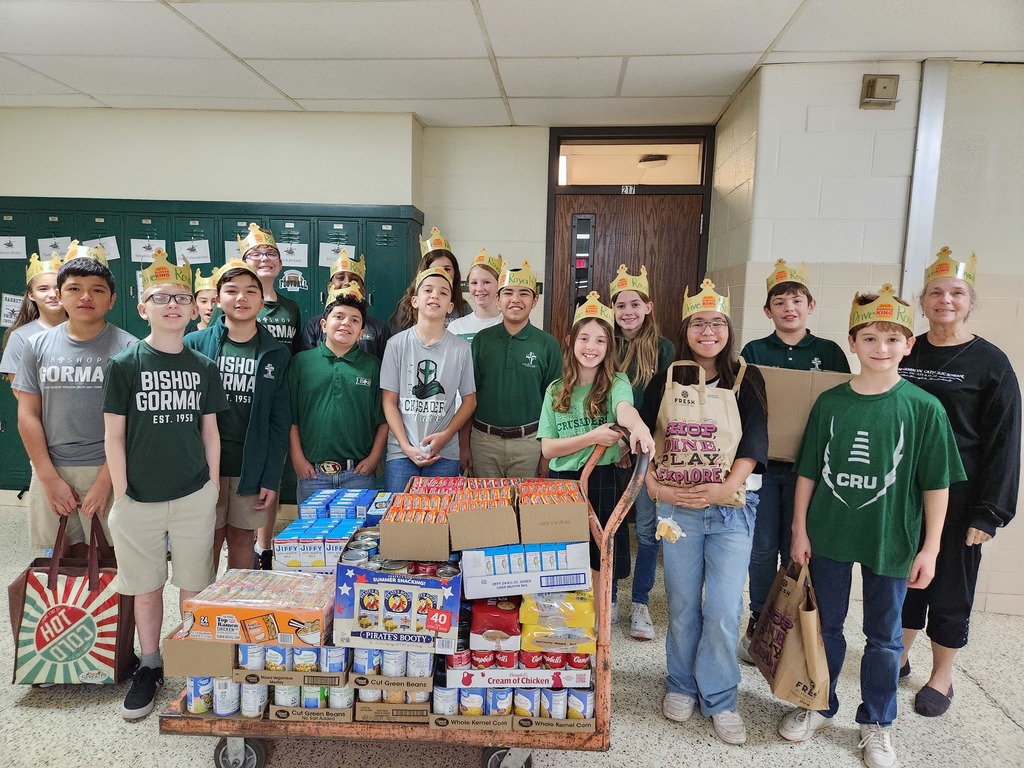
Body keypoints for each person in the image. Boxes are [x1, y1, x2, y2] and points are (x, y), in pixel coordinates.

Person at [779, 284, 965, 768]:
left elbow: (937, 485)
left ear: (908, 344)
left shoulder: (924, 408)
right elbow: (807, 471)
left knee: (884, 637)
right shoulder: (831, 403)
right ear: (852, 342)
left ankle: (877, 722)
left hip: (891, 538)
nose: (880, 348)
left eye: (892, 338)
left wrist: (930, 548)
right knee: (825, 627)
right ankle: (819, 704)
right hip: (830, 533)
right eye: (869, 338)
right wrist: (799, 529)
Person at [641, 279, 767, 746]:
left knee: (724, 607)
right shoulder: (664, 380)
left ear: (728, 330)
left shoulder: (746, 378)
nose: (708, 331)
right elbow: (642, 442)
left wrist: (724, 489)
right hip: (678, 510)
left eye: (717, 323)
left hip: (731, 511)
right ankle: (680, 684)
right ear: (685, 330)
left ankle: (721, 697)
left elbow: (754, 444)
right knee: (681, 603)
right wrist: (655, 487)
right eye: (698, 323)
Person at [102, 249, 227, 721]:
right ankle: (151, 664)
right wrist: (121, 493)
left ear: (195, 308)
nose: (172, 305)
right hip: (138, 499)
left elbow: (210, 431)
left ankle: (195, 663)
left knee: (194, 584)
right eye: (160, 297)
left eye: (180, 297)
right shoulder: (124, 364)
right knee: (146, 586)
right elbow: (113, 435)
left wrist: (212, 486)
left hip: (194, 493)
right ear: (142, 308)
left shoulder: (203, 366)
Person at [898, 248, 1021, 717]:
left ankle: (942, 675)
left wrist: (990, 512)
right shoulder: (905, 348)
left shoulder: (991, 362)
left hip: (961, 493)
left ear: (970, 302)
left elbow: (1006, 441)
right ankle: (899, 656)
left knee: (950, 586)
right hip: (903, 491)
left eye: (956, 293)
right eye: (935, 292)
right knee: (903, 579)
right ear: (922, 301)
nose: (945, 300)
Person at [737, 259, 850, 663]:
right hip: (764, 467)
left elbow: (844, 404)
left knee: (798, 548)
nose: (789, 308)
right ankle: (759, 618)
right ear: (767, 311)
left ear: (811, 305)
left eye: (797, 300)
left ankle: (791, 622)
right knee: (762, 547)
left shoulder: (829, 352)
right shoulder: (754, 351)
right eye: (780, 302)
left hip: (813, 470)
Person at [539, 291, 655, 622]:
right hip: (563, 484)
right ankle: (564, 624)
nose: (591, 347)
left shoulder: (617, 382)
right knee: (563, 557)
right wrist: (593, 437)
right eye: (585, 338)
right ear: (571, 341)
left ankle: (595, 626)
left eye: (600, 340)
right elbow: (548, 449)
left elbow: (625, 410)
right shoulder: (555, 389)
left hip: (603, 481)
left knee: (600, 557)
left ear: (609, 347)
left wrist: (639, 428)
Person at [14, 244, 135, 559]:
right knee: (63, 557)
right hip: (54, 466)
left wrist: (106, 480)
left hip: (110, 467)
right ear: (60, 294)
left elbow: (133, 423)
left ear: (112, 299)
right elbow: (27, 414)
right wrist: (48, 478)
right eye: (74, 288)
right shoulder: (36, 345)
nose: (85, 297)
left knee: (113, 556)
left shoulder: (129, 349)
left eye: (97, 290)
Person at [184, 259, 291, 570]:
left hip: (250, 467)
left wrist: (271, 476)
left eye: (250, 291)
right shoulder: (194, 344)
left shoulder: (276, 352)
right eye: (232, 291)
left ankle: (236, 598)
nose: (241, 298)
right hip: (204, 466)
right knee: (209, 538)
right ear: (218, 298)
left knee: (243, 538)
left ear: (261, 300)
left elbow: (279, 421)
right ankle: (203, 600)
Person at [609, 264, 676, 641]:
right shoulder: (605, 341)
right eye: (621, 305)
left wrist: (638, 441)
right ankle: (610, 595)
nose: (628, 311)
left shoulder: (663, 349)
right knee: (612, 525)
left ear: (648, 307)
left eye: (635, 304)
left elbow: (664, 404)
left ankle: (640, 602)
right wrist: (619, 440)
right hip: (611, 448)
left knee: (648, 531)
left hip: (649, 449)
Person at [381, 266, 476, 492]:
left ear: (450, 306)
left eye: (443, 292)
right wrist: (405, 446)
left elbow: (469, 401)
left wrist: (446, 436)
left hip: (444, 452)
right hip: (401, 453)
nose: (435, 296)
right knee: (400, 512)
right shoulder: (396, 345)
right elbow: (389, 401)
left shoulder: (461, 349)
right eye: (428, 290)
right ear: (415, 301)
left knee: (441, 513)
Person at [290, 285, 387, 503]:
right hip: (312, 474)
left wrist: (374, 458)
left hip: (358, 474)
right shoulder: (301, 363)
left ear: (361, 333)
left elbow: (383, 419)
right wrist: (297, 458)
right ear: (323, 325)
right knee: (311, 526)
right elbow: (291, 417)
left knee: (361, 527)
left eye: (355, 320)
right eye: (339, 317)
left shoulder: (373, 366)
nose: (346, 323)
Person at [466, 260, 561, 478]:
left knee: (525, 500)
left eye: (524, 293)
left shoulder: (547, 344)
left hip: (530, 443)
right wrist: (464, 445)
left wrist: (547, 456)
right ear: (498, 299)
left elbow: (555, 404)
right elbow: (469, 396)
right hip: (484, 442)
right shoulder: (482, 340)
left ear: (535, 300)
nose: (515, 299)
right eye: (508, 293)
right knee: (486, 499)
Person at [297, 249, 391, 358]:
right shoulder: (313, 326)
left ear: (363, 291)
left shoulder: (380, 329)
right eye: (341, 278)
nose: (347, 283)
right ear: (329, 287)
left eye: (354, 279)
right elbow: (307, 361)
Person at [1, 252, 67, 388]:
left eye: (58, 288)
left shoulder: (86, 330)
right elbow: (21, 392)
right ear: (31, 295)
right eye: (43, 289)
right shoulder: (20, 337)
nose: (53, 294)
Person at [388, 227, 470, 331]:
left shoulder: (463, 308)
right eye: (434, 269)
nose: (441, 274)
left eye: (447, 269)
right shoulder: (406, 307)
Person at [448, 248, 503, 343]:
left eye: (486, 282)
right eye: (474, 283)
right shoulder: (456, 327)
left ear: (498, 285)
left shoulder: (511, 325)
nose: (479, 288)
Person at [185, 268, 217, 334]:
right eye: (204, 301)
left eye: (214, 302)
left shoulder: (232, 334)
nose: (210, 307)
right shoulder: (186, 336)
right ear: (195, 304)